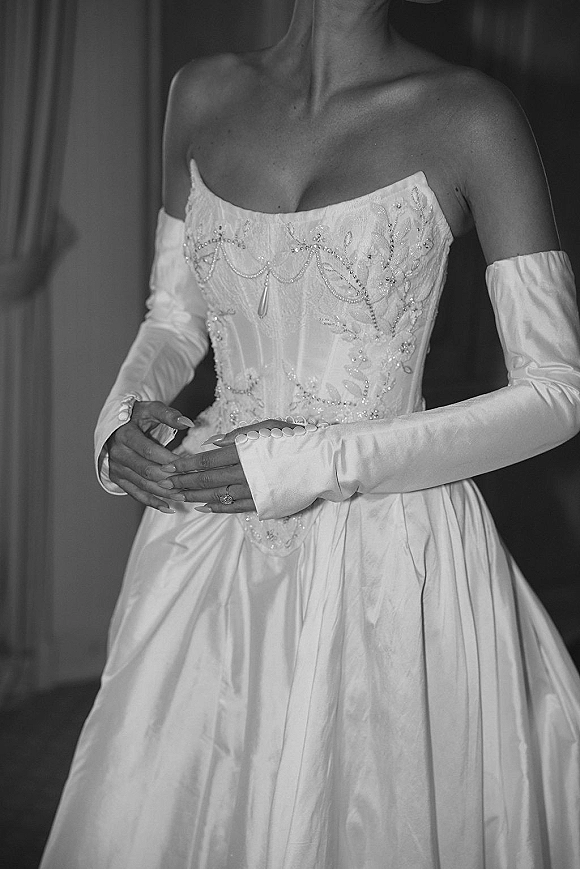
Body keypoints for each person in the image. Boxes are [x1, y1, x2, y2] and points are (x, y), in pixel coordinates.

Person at [41, 0, 580, 866]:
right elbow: (175, 318)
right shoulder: (201, 92)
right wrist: (118, 419)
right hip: (206, 535)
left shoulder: (472, 114)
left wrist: (323, 459)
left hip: (390, 550)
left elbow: (559, 390)